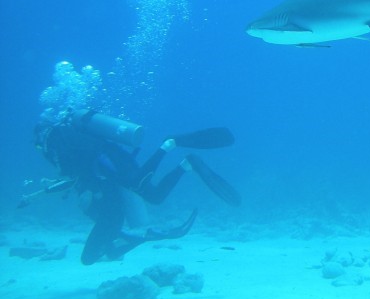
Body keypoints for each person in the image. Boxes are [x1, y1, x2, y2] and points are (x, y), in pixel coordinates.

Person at [32, 108, 241, 265]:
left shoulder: (56, 141)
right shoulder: (63, 138)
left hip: (111, 164)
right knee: (155, 197)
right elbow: (78, 170)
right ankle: (187, 164)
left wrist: (76, 185)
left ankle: (169, 144)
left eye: (38, 145)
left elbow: (78, 166)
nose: (40, 149)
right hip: (112, 165)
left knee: (139, 184)